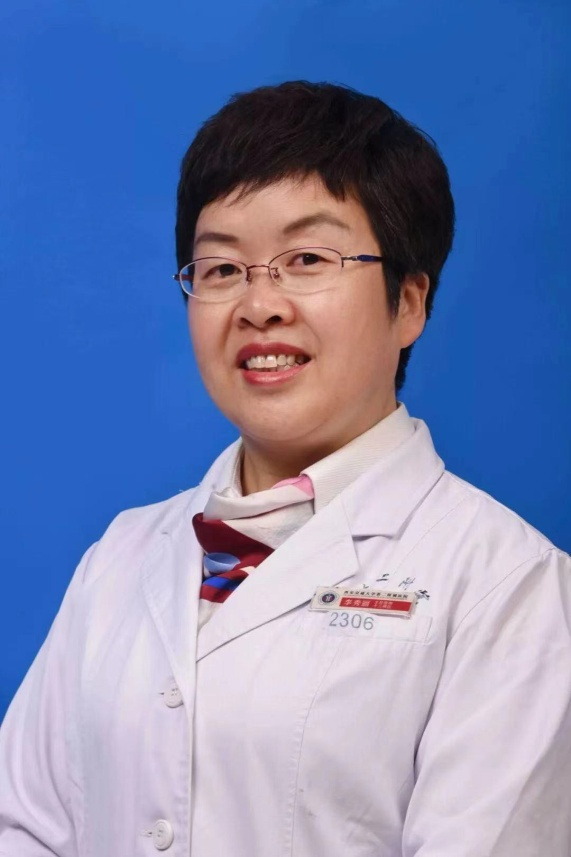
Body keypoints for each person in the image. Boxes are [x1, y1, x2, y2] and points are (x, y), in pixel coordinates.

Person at [1, 80, 570, 857]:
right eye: (221, 268)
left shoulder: (507, 584)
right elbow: (24, 827)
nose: (259, 304)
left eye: (306, 259)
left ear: (408, 301)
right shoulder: (122, 554)